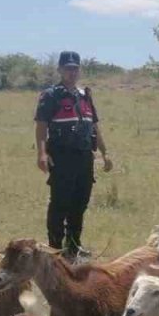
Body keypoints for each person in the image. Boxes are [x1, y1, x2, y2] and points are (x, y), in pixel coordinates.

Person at [34, 51, 112, 260]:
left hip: (84, 157)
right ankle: (54, 250)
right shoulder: (51, 95)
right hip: (61, 157)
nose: (72, 72)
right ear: (60, 69)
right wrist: (42, 153)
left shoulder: (85, 95)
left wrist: (105, 153)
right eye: (67, 68)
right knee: (60, 204)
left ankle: (73, 248)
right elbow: (41, 126)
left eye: (75, 68)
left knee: (80, 204)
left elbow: (94, 126)